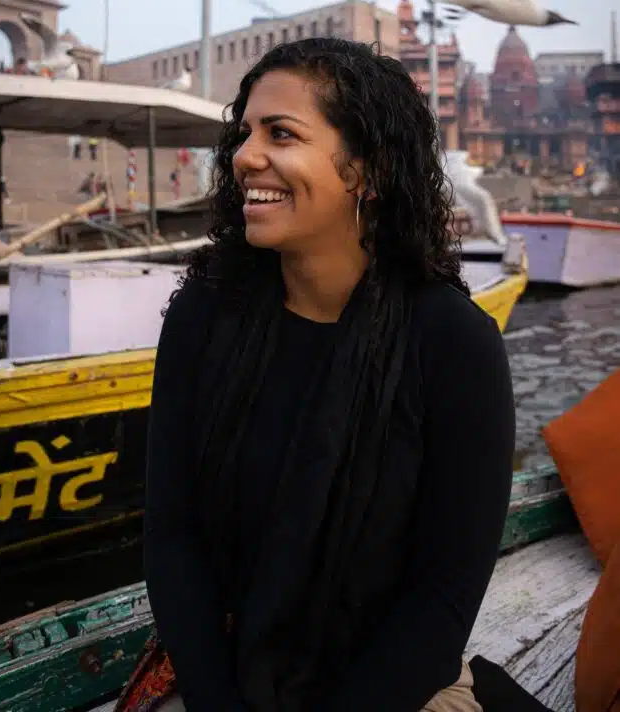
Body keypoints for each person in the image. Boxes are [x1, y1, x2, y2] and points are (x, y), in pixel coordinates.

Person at [140, 38, 515, 712]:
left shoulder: (452, 343)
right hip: (223, 673)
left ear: (364, 170)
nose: (244, 155)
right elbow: (171, 536)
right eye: (244, 132)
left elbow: (442, 598)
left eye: (280, 134)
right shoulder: (205, 311)